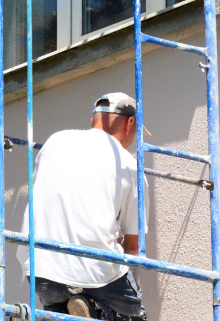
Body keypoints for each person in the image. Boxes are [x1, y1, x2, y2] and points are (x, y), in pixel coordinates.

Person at [17, 92, 149, 320]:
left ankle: (80, 310)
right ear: (130, 123)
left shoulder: (54, 142)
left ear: (93, 120)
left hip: (40, 272)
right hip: (94, 275)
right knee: (133, 315)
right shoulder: (129, 166)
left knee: (62, 310)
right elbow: (134, 246)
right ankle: (94, 310)